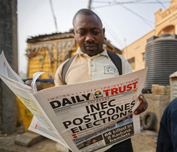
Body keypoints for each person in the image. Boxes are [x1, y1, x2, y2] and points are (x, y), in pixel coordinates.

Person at [27, 9, 148, 152]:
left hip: (117, 141)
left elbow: (134, 95)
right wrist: (39, 98)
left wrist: (140, 101)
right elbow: (58, 111)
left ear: (103, 32)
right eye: (82, 32)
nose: (89, 38)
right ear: (75, 34)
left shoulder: (119, 62)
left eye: (95, 32)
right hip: (80, 145)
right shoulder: (64, 68)